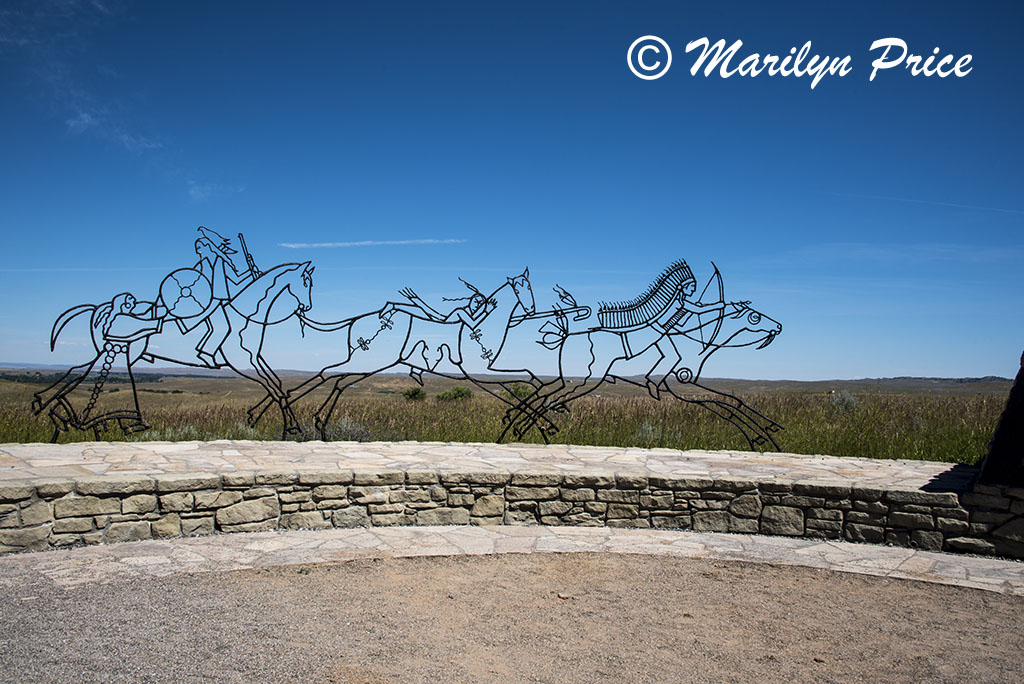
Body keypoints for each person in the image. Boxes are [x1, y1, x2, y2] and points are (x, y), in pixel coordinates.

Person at [187, 229, 255, 365]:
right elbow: (192, 282)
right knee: (223, 328)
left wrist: (251, 269)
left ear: (208, 247)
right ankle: (206, 353)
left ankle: (206, 353)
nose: (198, 252)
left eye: (200, 248)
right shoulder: (202, 266)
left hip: (217, 300)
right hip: (209, 302)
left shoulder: (220, 263)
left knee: (223, 328)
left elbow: (237, 280)